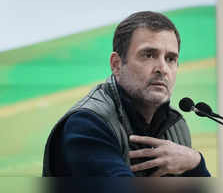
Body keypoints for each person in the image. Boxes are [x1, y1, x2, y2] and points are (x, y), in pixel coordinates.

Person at [42, 11, 210, 177]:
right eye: (149, 55)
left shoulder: (177, 125)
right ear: (116, 65)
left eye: (171, 59)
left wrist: (196, 162)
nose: (162, 69)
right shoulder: (87, 123)